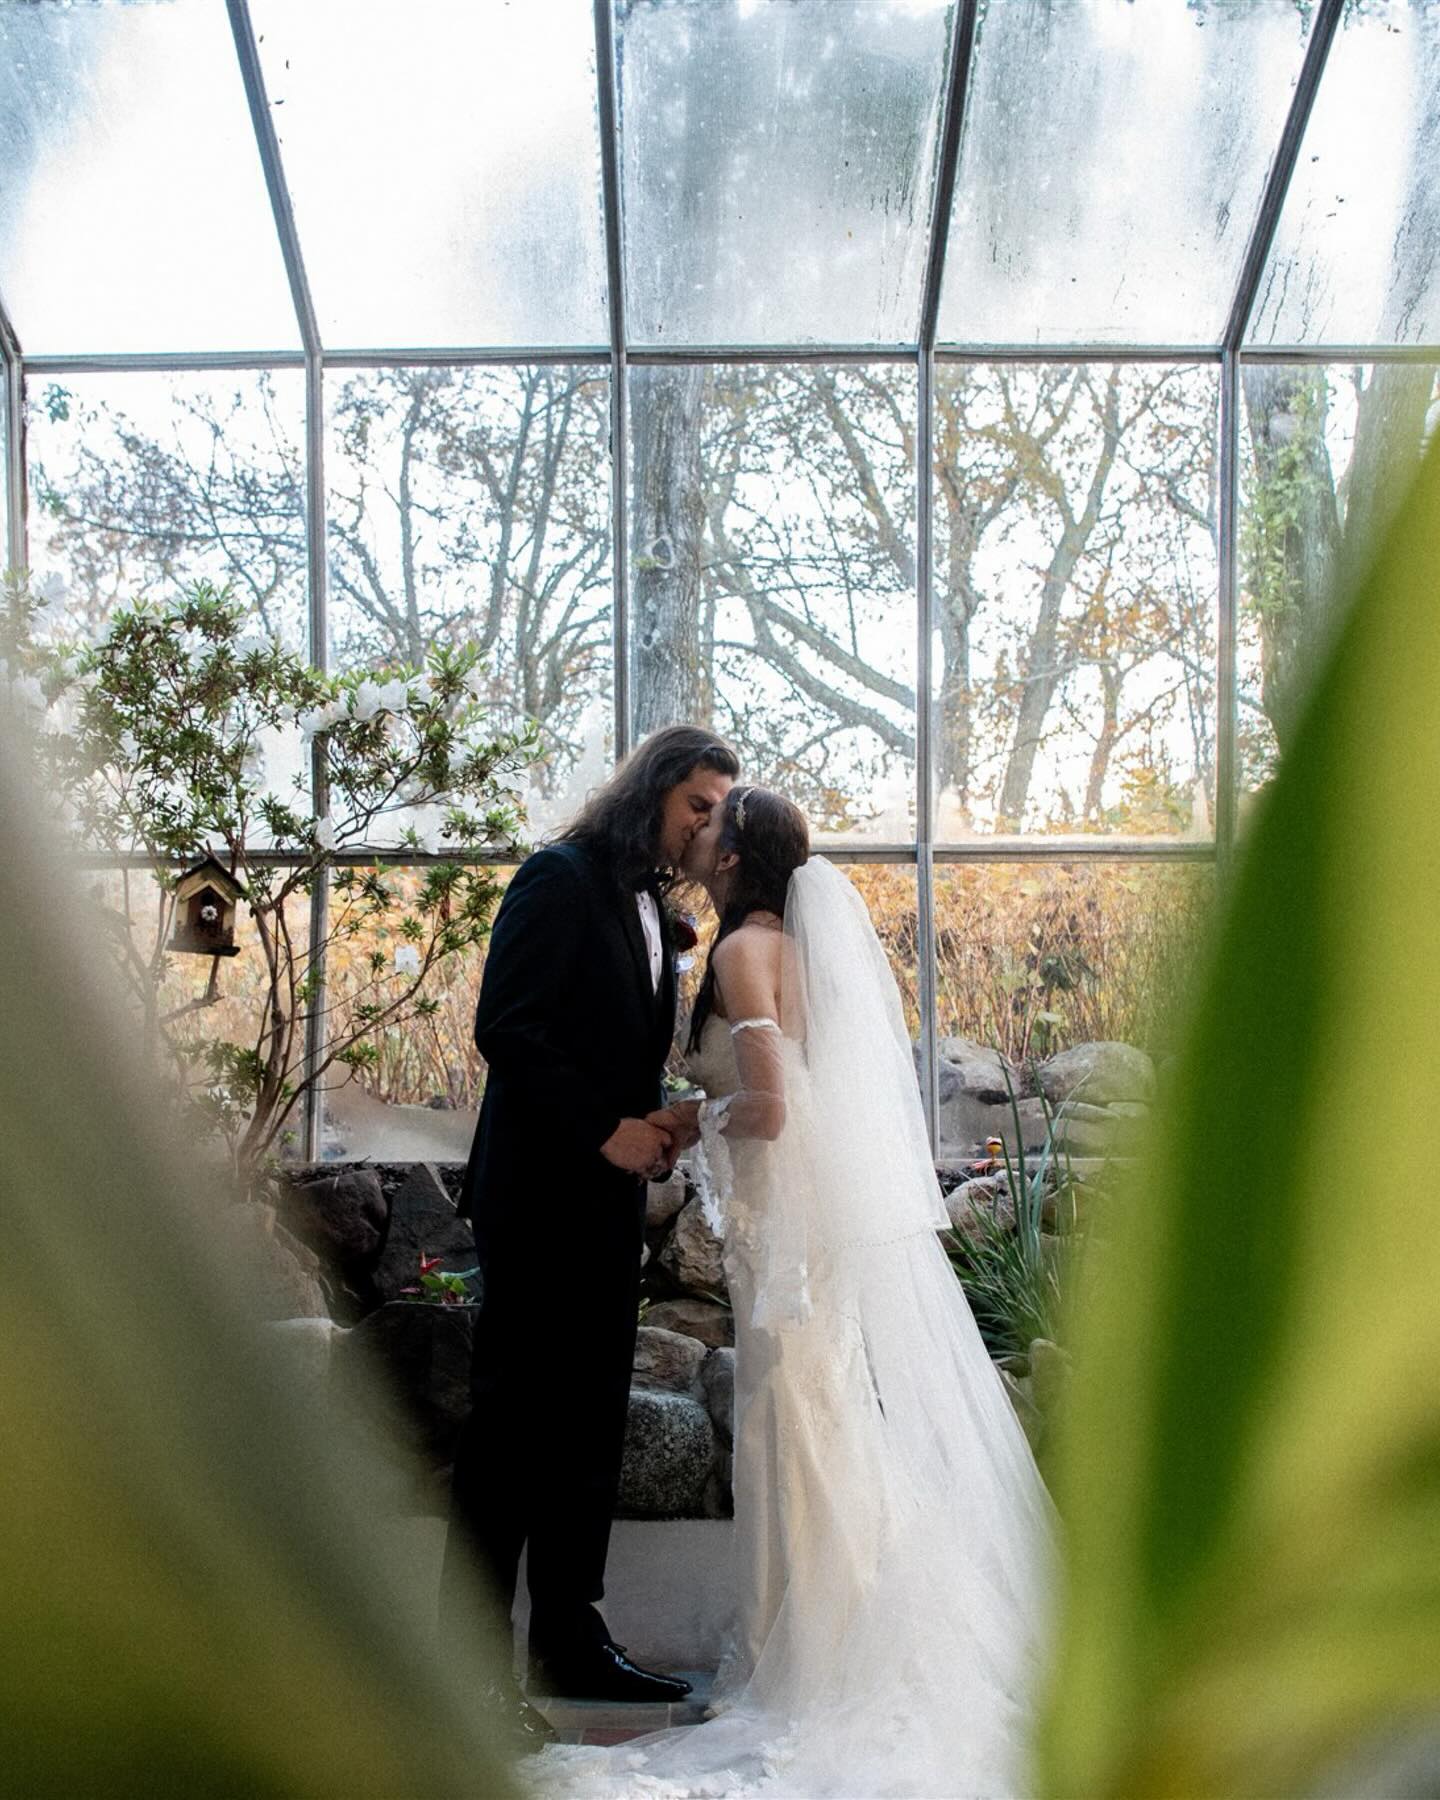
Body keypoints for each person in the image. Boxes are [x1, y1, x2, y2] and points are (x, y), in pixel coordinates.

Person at [529, 786, 1057, 1798]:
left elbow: (769, 1105)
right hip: (810, 1230)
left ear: (737, 859)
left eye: (715, 830)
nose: (700, 837)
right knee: (822, 1423)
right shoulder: (796, 945)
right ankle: (837, 1634)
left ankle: (810, 1655)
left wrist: (690, 1122)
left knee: (794, 1426)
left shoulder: (740, 952)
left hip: (787, 1237)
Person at [442, 726, 739, 1745]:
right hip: (535, 1196)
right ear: (655, 790)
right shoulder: (558, 877)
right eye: (700, 804)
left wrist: (654, 1120)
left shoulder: (655, 906)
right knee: (510, 1435)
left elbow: (608, 1045)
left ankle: (570, 1639)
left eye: (719, 812)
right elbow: (509, 1027)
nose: (711, 825)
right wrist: (604, 1128)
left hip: (606, 1202)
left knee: (586, 1430)